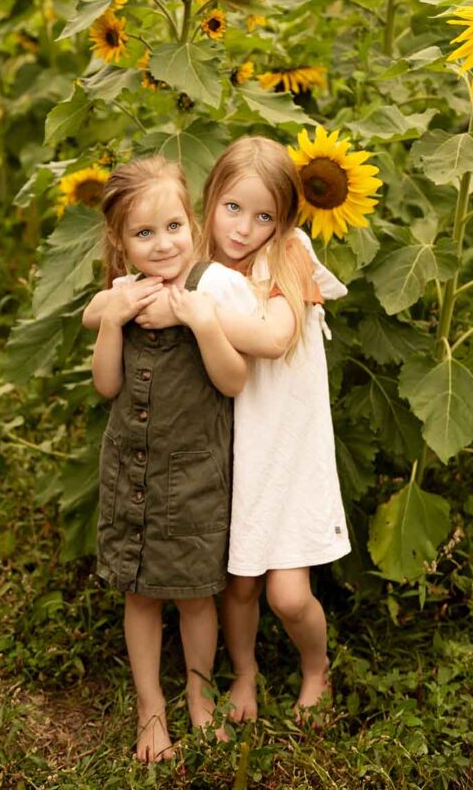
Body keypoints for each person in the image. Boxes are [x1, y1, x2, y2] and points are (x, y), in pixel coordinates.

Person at [136, 136, 350, 721]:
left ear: (283, 220)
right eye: (232, 208)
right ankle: (246, 674)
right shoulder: (197, 260)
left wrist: (193, 310)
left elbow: (276, 339)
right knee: (238, 586)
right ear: (210, 200)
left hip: (287, 449)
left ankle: (316, 666)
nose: (243, 229)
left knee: (288, 593)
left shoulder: (290, 254)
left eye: (263, 216)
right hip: (227, 450)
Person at [82, 155, 257, 762]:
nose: (163, 244)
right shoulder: (121, 296)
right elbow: (107, 385)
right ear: (121, 241)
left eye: (174, 227)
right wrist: (115, 320)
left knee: (194, 594)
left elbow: (234, 382)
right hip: (131, 470)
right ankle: (150, 706)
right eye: (143, 233)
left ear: (194, 223)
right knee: (140, 595)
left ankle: (200, 696)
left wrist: (203, 325)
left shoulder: (210, 288)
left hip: (193, 479)